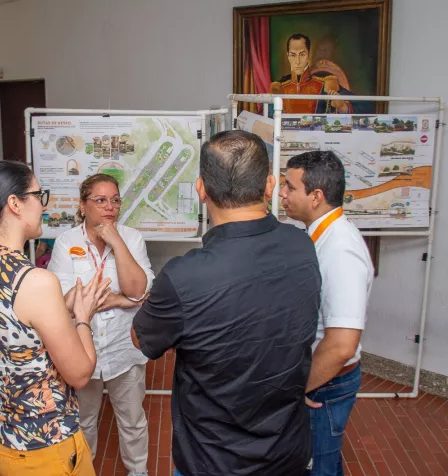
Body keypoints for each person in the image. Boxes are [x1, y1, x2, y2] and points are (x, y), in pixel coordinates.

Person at [131, 130, 321, 476]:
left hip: (213, 462)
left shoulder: (184, 277)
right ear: (269, 186)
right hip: (288, 454)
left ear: (201, 189)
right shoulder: (302, 246)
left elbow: (142, 338)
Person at [0, 160, 112, 475]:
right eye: (39, 196)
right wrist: (82, 317)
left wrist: (60, 309)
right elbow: (80, 374)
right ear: (15, 204)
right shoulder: (35, 281)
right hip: (41, 446)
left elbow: (9, 329)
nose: (44, 206)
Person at [48, 173, 153, 476]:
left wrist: (116, 242)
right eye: (100, 200)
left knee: (132, 419)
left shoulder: (131, 238)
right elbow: (65, 299)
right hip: (82, 349)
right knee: (83, 420)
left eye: (115, 200)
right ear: (83, 206)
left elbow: (139, 290)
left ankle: (138, 471)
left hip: (123, 347)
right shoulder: (66, 242)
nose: (110, 207)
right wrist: (124, 299)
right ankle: (84, 469)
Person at [279, 151, 373, 476]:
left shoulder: (340, 248)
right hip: (318, 377)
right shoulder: (320, 235)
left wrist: (299, 389)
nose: (282, 194)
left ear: (316, 196)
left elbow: (342, 344)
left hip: (324, 383)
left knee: (319, 465)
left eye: (290, 187)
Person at [270, 33, 373, 114]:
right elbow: (266, 116)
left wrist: (342, 107)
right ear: (288, 56)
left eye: (302, 55)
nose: (297, 61)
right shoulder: (279, 88)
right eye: (293, 55)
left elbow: (367, 107)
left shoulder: (325, 84)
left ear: (309, 55)